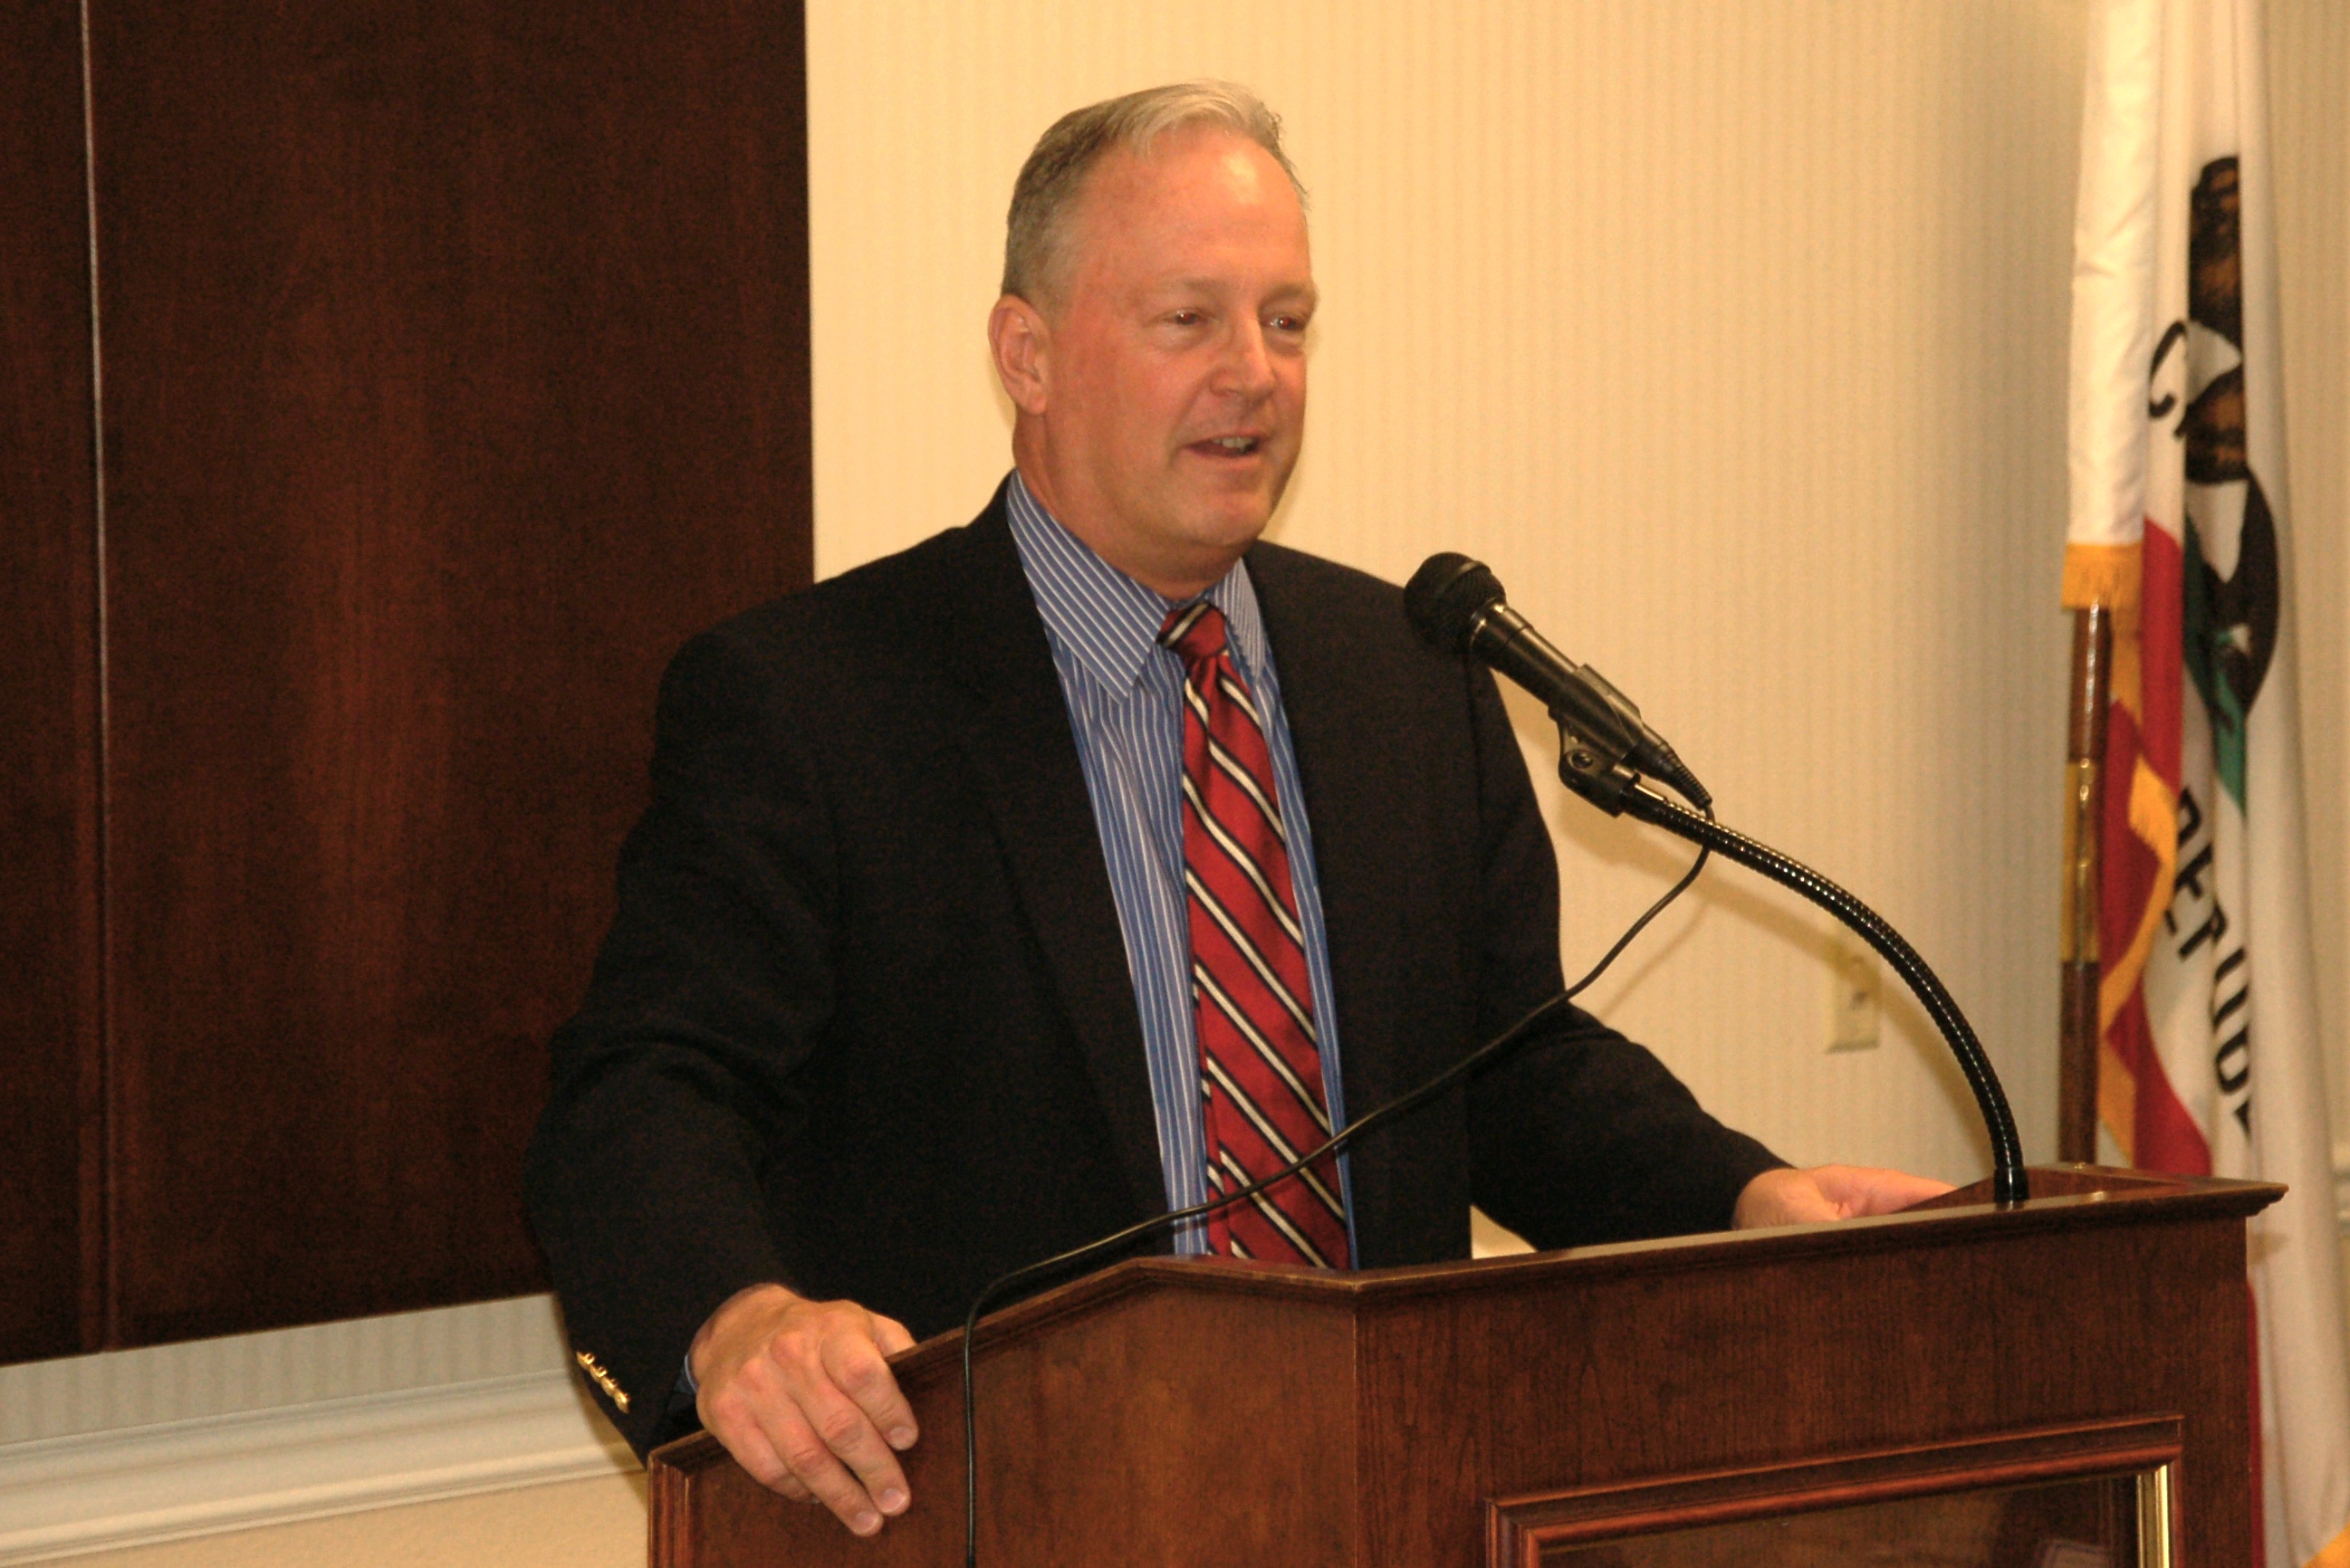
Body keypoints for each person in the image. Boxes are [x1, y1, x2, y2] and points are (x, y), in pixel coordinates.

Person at [523, 81, 1946, 1541]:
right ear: (1027, 354)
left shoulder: (1410, 674)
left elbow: (1507, 1070)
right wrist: (738, 1318)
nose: (1254, 374)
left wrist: (1743, 1199)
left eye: (1287, 320)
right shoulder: (815, 698)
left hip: (1389, 1500)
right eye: (1188, 320)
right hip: (1000, 1514)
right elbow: (645, 1088)